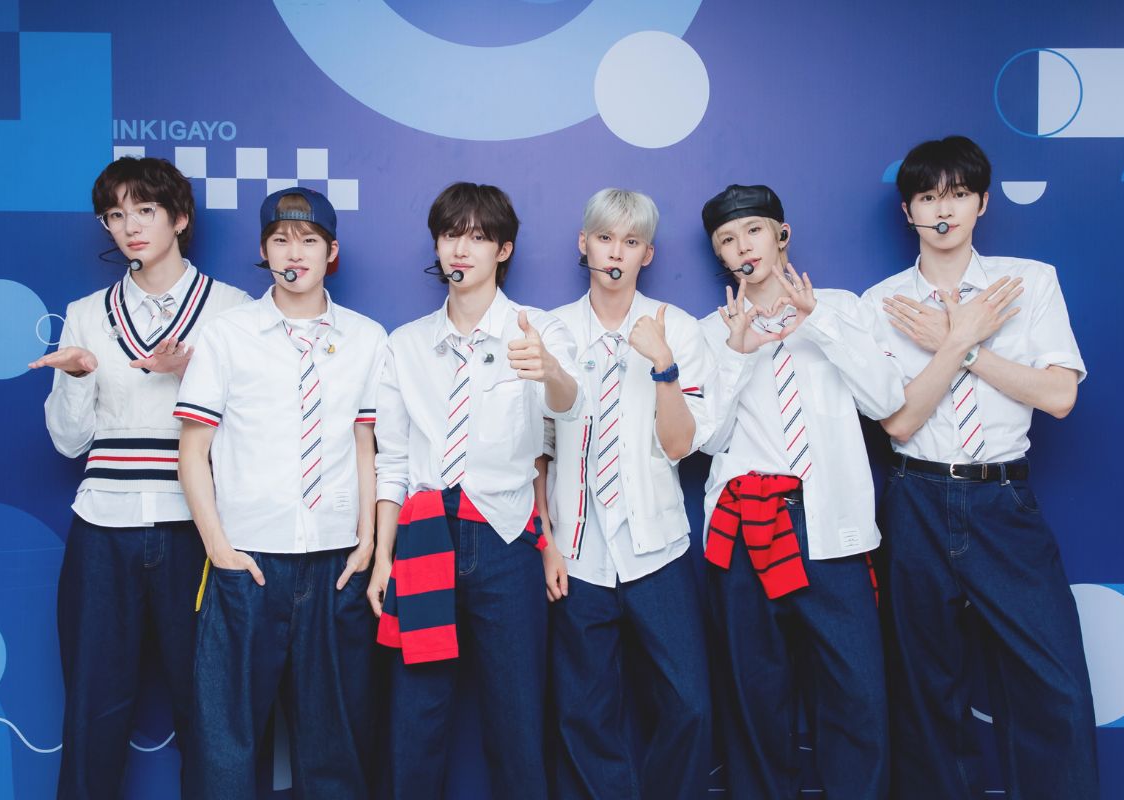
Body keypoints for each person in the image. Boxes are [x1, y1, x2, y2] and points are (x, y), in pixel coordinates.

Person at [862, 135, 1097, 799]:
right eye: (928, 197)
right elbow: (899, 422)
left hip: (1002, 500)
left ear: (983, 203)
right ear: (908, 210)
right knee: (926, 691)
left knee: (1054, 685)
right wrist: (957, 340)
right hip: (915, 498)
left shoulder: (1029, 283)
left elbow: (1059, 396)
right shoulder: (879, 304)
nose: (944, 211)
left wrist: (962, 346)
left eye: (959, 194)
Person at [31, 156, 250, 799]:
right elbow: (68, 442)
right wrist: (78, 378)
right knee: (93, 708)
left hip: (197, 528)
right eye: (115, 214)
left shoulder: (232, 311)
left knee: (209, 711)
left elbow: (257, 436)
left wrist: (193, 378)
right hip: (104, 528)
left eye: (146, 210)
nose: (130, 226)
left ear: (179, 218)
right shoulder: (86, 313)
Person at [369, 181, 581, 800]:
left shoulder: (536, 330)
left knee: (517, 718)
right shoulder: (405, 344)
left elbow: (569, 411)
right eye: (449, 235)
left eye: (478, 237)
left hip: (506, 537)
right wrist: (382, 557)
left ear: (503, 250)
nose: (460, 249)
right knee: (416, 718)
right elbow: (393, 460)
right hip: (424, 535)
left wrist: (549, 370)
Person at [175, 187, 387, 799]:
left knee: (336, 745)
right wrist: (219, 549)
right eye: (280, 240)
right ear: (264, 250)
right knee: (225, 743)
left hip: (336, 562)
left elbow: (366, 446)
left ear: (331, 252)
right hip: (248, 561)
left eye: (309, 240)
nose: (295, 253)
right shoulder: (228, 334)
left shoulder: (367, 338)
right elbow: (192, 452)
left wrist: (367, 541)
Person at [699, 184, 903, 799]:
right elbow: (707, 440)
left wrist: (822, 327)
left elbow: (886, 401)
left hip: (830, 523)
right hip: (746, 529)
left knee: (856, 695)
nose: (743, 247)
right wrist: (737, 354)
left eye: (753, 231)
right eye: (727, 240)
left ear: (781, 235)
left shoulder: (841, 308)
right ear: (720, 255)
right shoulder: (710, 331)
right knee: (757, 696)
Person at [539, 188, 715, 799]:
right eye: (605, 238)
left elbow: (680, 446)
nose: (616, 252)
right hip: (577, 553)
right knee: (583, 714)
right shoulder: (553, 330)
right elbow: (536, 450)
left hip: (656, 547)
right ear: (584, 243)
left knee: (690, 705)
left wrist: (663, 367)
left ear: (648, 254)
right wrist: (547, 541)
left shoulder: (677, 328)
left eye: (631, 241)